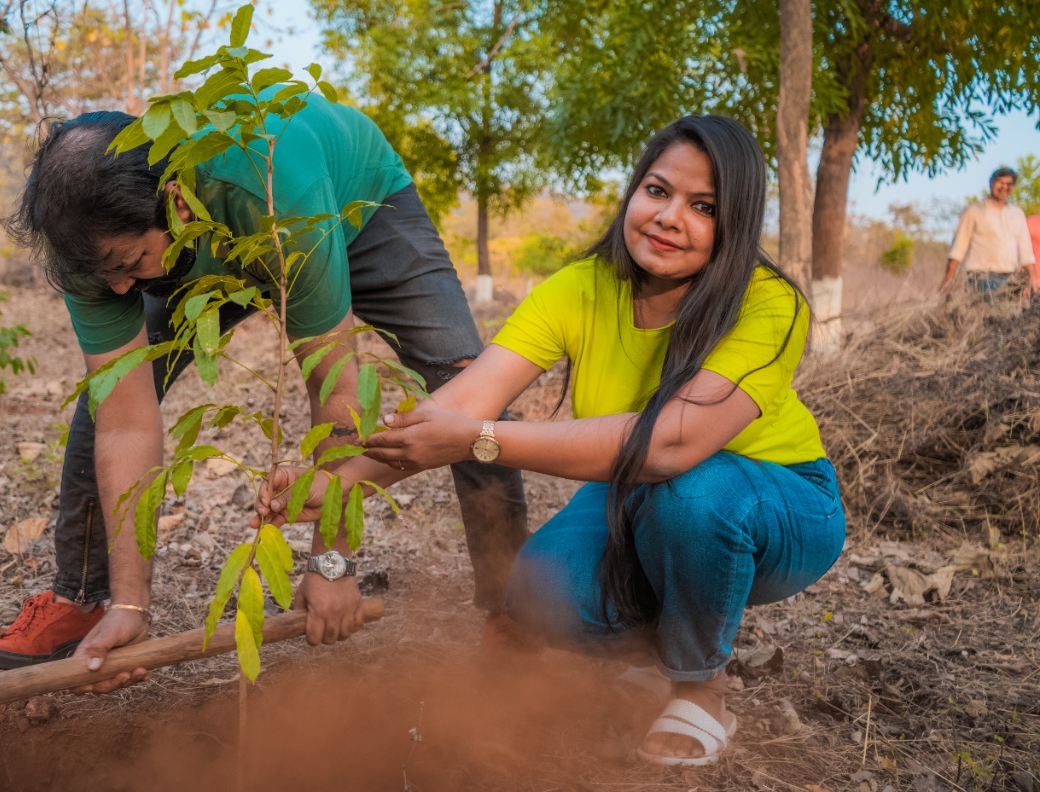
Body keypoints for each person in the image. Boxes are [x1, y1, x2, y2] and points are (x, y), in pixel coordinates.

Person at [259, 115, 846, 766]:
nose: (669, 217)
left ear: (733, 224)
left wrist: (481, 440)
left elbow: (669, 445)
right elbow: (461, 402)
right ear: (633, 192)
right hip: (637, 492)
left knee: (696, 493)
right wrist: (339, 483)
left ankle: (701, 683)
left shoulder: (768, 303)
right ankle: (660, 646)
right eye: (657, 190)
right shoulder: (578, 288)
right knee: (537, 590)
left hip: (777, 501)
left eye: (702, 207)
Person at [0, 92, 528, 675]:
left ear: (177, 202)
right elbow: (124, 419)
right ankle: (86, 603)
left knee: (467, 386)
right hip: (202, 241)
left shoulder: (277, 192)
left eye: (128, 264)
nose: (116, 290)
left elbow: (334, 386)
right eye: (102, 274)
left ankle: (514, 608)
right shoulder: (96, 249)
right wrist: (132, 602)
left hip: (357, 201)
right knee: (102, 398)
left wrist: (330, 563)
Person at [941, 167, 1037, 297]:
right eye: (1000, 182)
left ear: (1013, 187)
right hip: (981, 279)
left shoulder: (1017, 213)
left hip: (1010, 279)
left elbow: (1026, 252)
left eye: (1009, 184)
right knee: (987, 316)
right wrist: (948, 280)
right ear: (991, 183)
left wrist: (1033, 279)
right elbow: (958, 248)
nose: (1004, 187)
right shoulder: (974, 210)